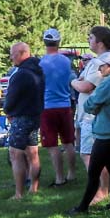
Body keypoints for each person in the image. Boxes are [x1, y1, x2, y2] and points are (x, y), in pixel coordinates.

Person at [66, 52, 110, 216]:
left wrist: (94, 105)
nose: (99, 69)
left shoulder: (107, 84)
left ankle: (82, 208)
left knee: (93, 172)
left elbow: (89, 105)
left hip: (105, 133)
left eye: (102, 66)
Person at [72, 26, 110, 204]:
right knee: (94, 154)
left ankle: (101, 190)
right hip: (92, 114)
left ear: (100, 42)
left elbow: (85, 86)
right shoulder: (99, 60)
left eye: (91, 38)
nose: (88, 40)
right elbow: (83, 82)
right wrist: (79, 82)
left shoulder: (103, 62)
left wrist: (73, 82)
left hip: (94, 115)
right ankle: (103, 188)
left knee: (89, 154)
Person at [5, 42, 44, 200]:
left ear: (22, 53)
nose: (11, 58)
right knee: (33, 152)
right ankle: (34, 188)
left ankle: (19, 193)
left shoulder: (21, 74)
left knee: (15, 154)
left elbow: (12, 96)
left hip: (21, 116)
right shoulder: (38, 70)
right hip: (35, 115)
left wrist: (7, 110)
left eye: (13, 54)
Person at [39, 28, 77, 187]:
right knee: (68, 142)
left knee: (52, 145)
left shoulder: (41, 63)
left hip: (47, 106)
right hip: (65, 105)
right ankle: (72, 174)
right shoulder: (66, 61)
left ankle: (59, 178)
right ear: (58, 42)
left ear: (44, 42)